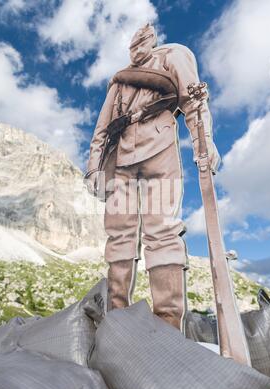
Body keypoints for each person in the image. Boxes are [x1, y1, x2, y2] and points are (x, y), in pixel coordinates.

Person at [85, 24, 220, 330]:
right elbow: (102, 128)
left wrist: (203, 143)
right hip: (120, 162)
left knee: (162, 232)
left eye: (143, 35)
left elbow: (192, 102)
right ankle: (116, 319)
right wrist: (94, 167)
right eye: (134, 38)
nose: (138, 39)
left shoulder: (173, 56)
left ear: (152, 38)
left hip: (159, 153)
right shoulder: (119, 79)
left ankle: (168, 325)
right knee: (119, 235)